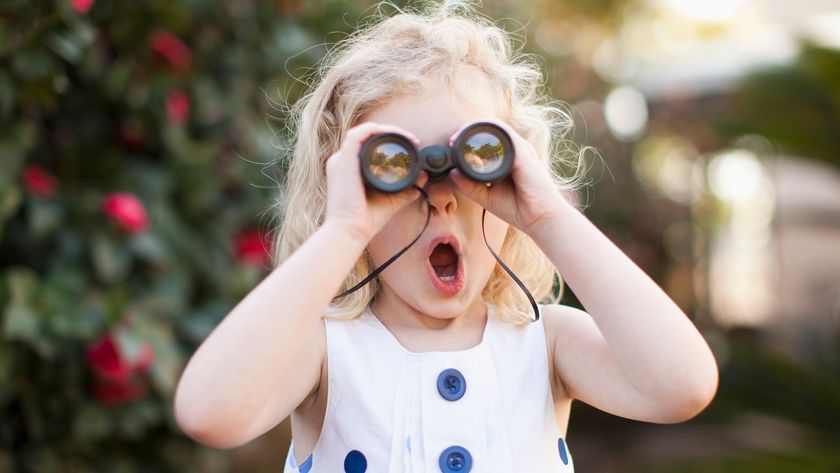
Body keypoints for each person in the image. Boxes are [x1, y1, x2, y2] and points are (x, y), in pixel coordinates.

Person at [172, 1, 720, 472]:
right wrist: (343, 228)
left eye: (481, 162)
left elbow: (682, 387)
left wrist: (546, 214)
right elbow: (209, 414)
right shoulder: (326, 353)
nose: (442, 196)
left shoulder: (546, 342)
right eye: (394, 170)